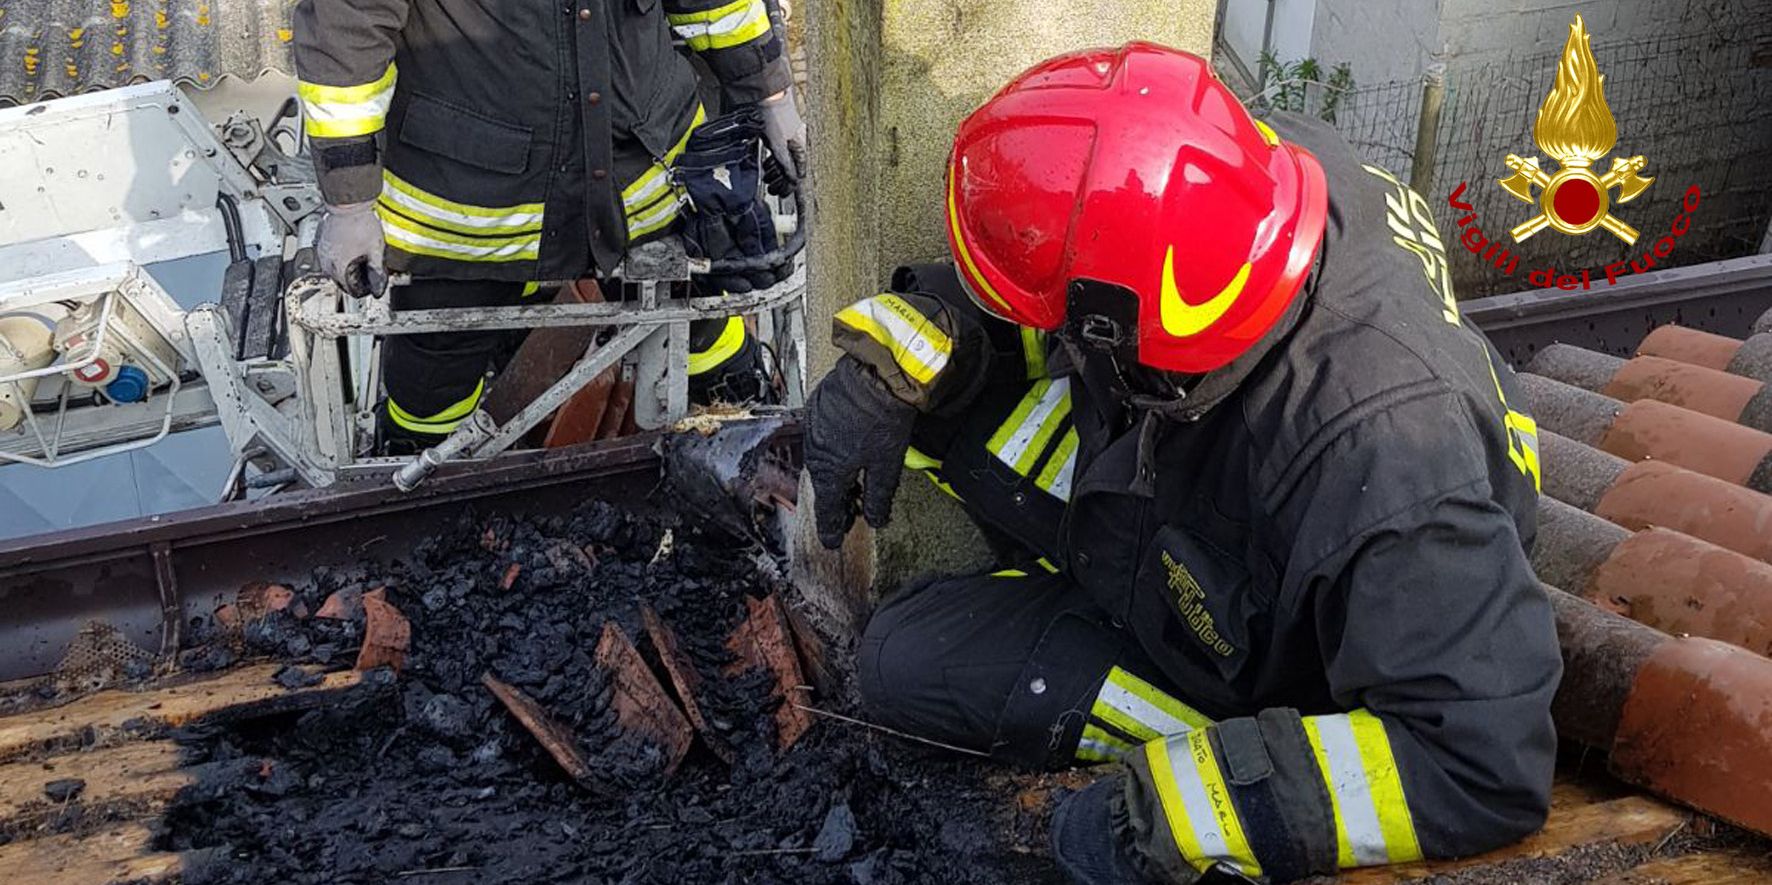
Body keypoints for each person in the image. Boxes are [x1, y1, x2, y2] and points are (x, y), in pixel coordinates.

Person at [803, 43, 1560, 884]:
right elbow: (1055, 300)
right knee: (900, 657)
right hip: (1190, 468)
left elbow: (1480, 759)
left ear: (1135, 336)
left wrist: (1185, 810)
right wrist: (893, 361)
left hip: (1299, 623)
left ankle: (1206, 726)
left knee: (908, 665)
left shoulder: (1395, 465)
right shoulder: (1231, 175)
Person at [292, 0, 802, 451]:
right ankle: (422, 479)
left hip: (639, 179)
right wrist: (349, 204)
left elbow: (717, 5)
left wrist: (772, 97)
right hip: (468, 216)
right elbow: (344, 34)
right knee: (434, 373)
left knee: (701, 321)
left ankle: (743, 421)